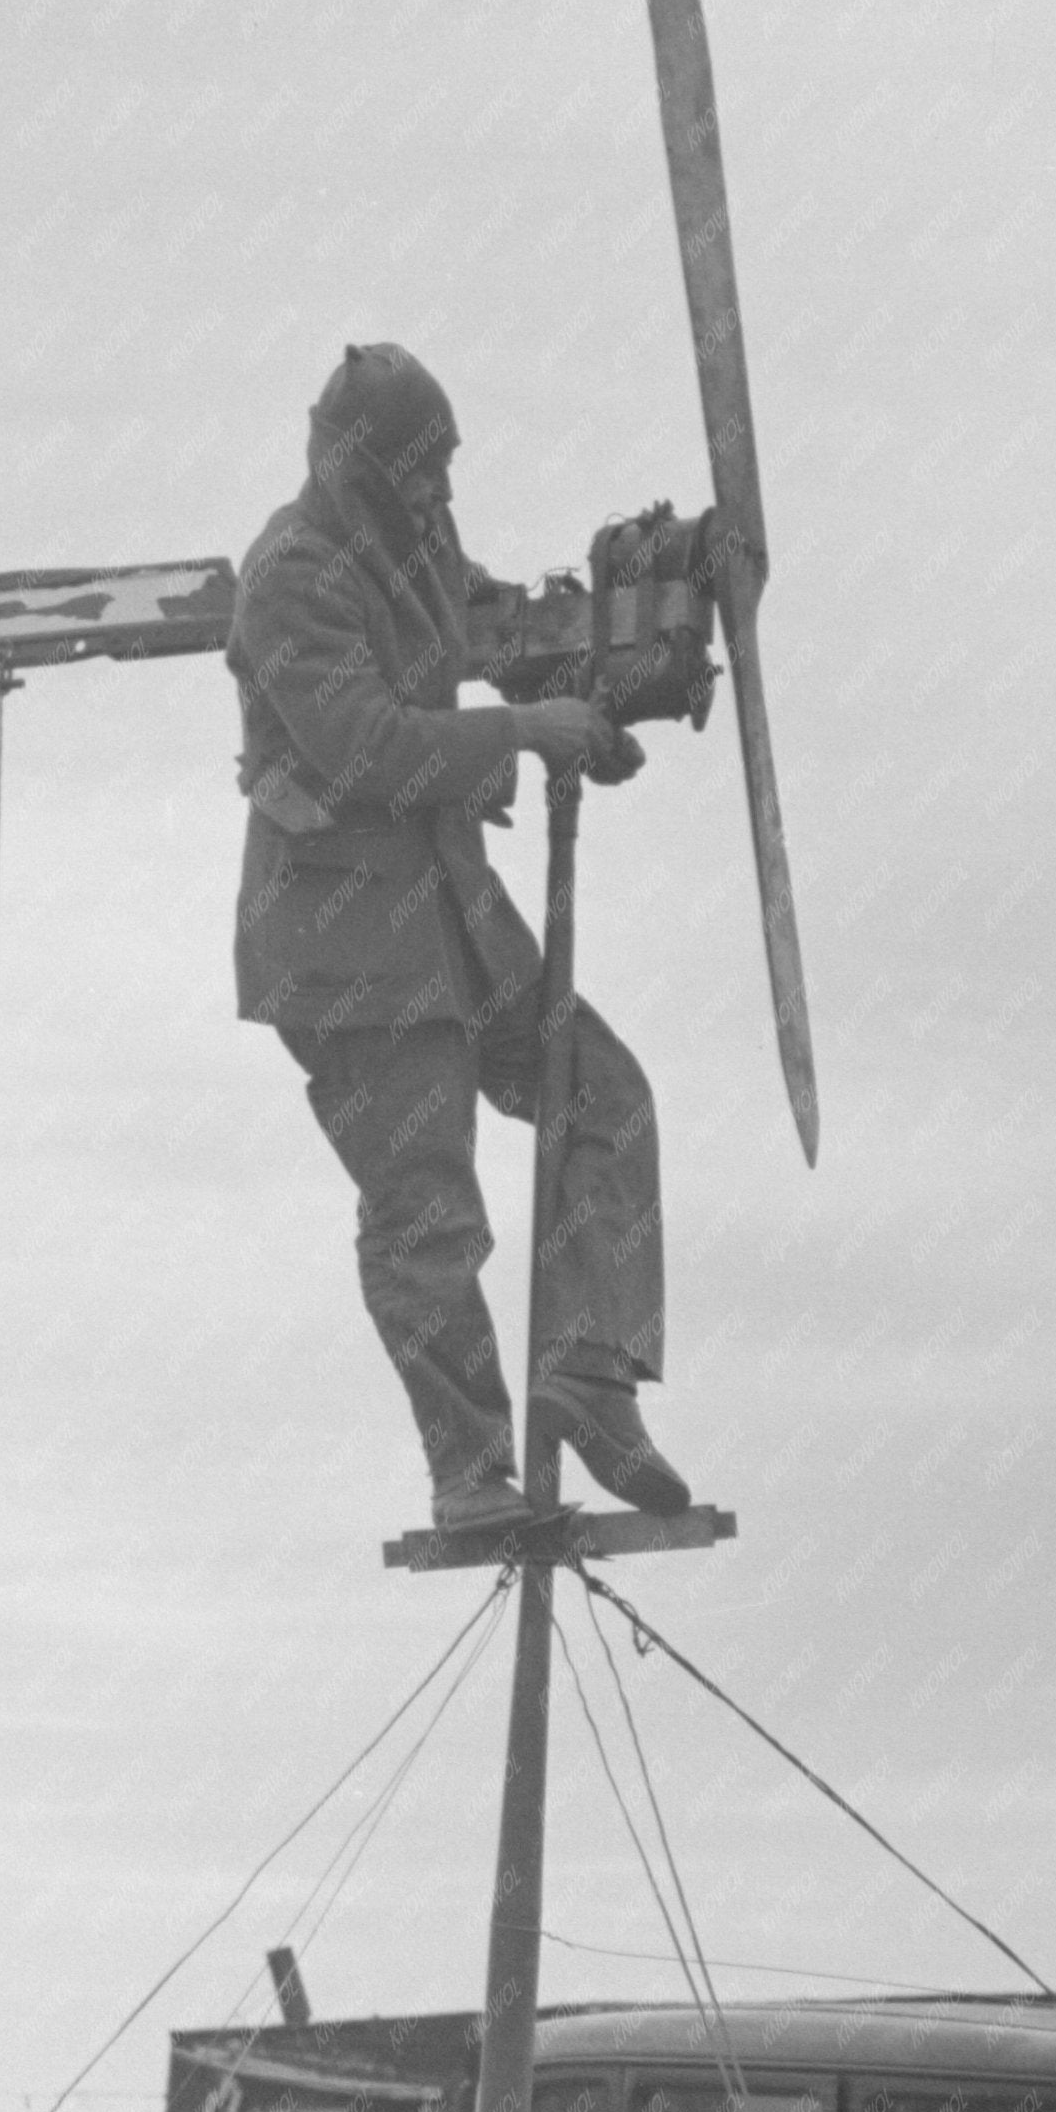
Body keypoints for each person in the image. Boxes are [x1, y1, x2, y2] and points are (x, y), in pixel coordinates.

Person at [227, 341, 689, 1531]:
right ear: (356, 466)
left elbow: (490, 631)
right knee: (428, 1214)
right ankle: (472, 1476)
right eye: (416, 473)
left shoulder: (418, 537)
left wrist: (599, 682)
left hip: (447, 916)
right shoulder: (289, 575)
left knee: (605, 1095)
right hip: (347, 952)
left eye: (445, 470)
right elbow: (367, 747)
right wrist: (529, 732)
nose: (437, 494)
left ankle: (591, 1374)